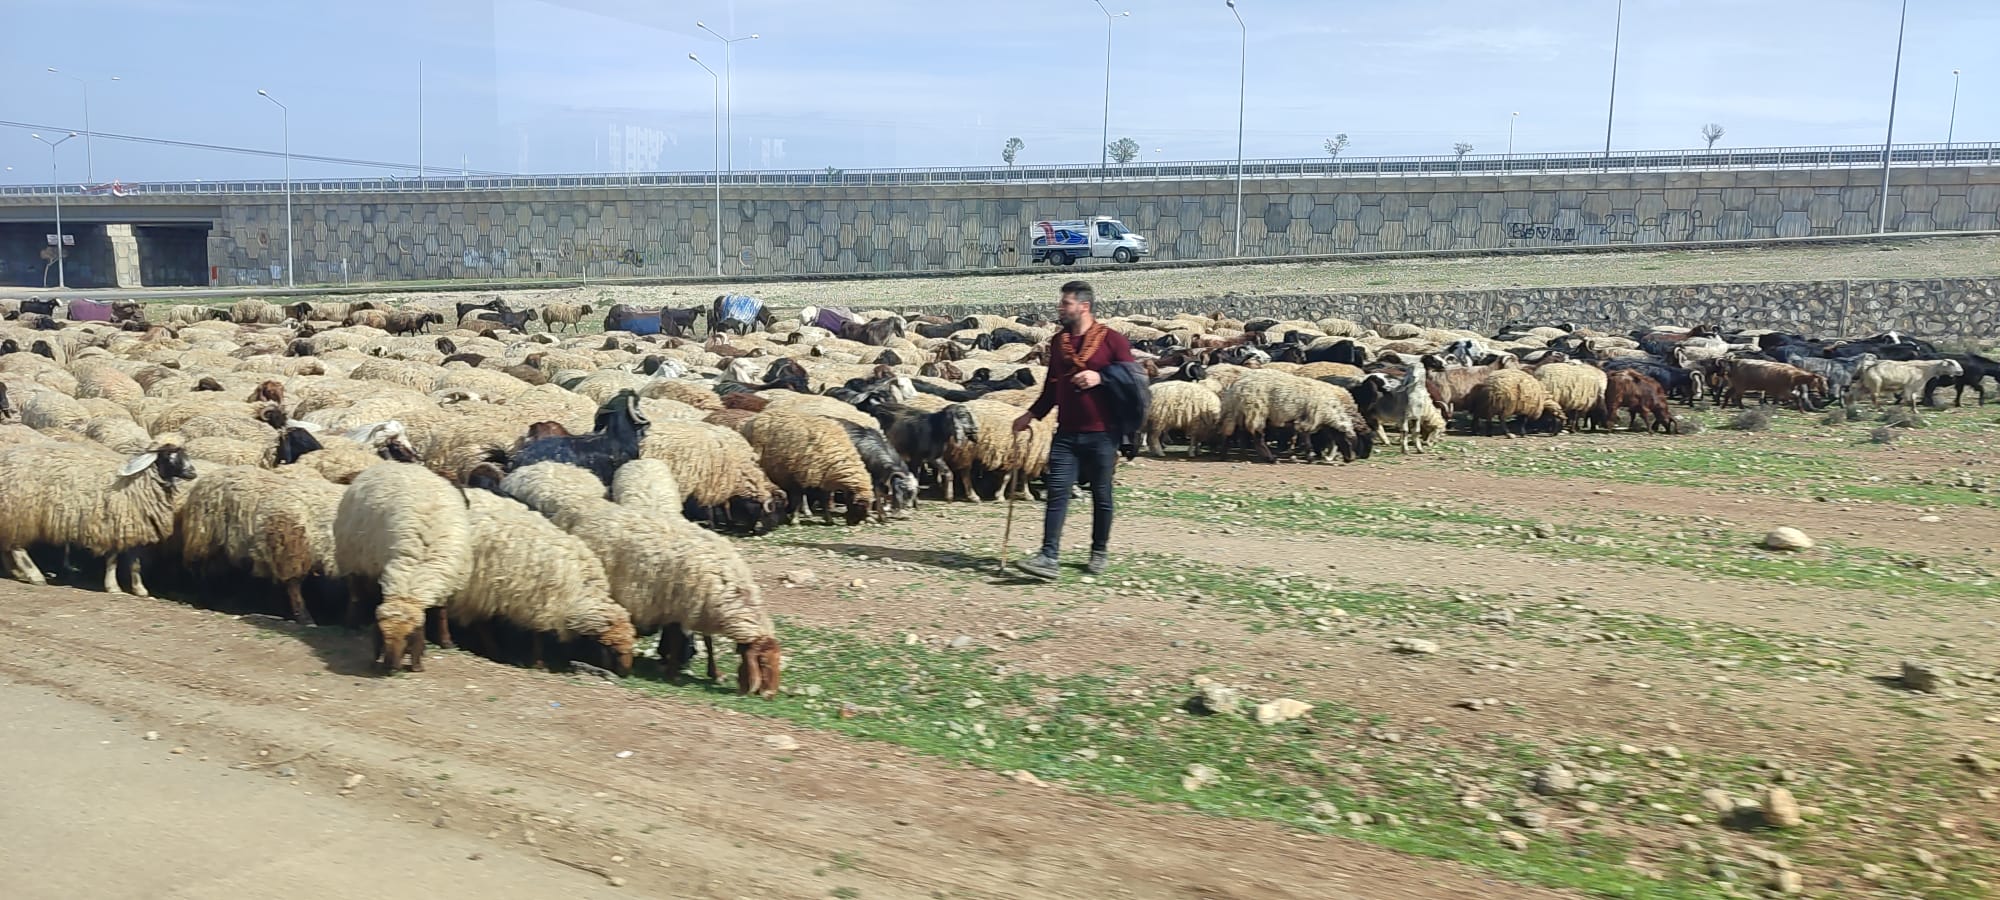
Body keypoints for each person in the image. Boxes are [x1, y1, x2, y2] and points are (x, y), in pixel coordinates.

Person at [1011, 280, 1136, 581]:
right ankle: (1049, 556)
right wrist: (1030, 415)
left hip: (1103, 434)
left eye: (1065, 303)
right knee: (1057, 492)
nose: (1060, 308)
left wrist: (1100, 377)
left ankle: (1099, 550)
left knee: (1101, 495)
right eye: (1061, 303)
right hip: (1066, 432)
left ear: (1084, 306)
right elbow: (1052, 389)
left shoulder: (1112, 341)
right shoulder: (1058, 343)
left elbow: (1133, 380)